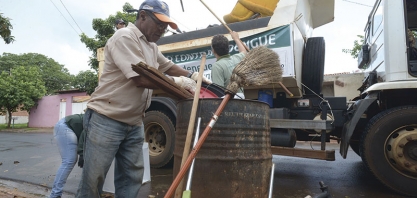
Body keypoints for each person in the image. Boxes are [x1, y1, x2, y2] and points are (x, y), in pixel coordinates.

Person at [76, 0, 210, 197]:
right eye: (160, 24)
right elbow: (141, 78)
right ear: (143, 16)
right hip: (107, 118)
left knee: (131, 178)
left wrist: (192, 76)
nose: (162, 30)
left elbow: (168, 66)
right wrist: (178, 82)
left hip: (134, 121)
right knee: (93, 178)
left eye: (165, 27)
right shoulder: (124, 36)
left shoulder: (151, 47)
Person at [49, 114, 85, 198]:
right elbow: (85, 133)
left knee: (70, 161)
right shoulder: (99, 119)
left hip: (68, 126)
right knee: (69, 161)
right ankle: (55, 195)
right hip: (65, 127)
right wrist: (82, 153)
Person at [210, 31, 247, 98]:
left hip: (228, 103)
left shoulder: (217, 66)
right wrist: (236, 38)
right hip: (242, 99)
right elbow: (244, 51)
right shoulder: (237, 59)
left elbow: (218, 93)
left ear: (213, 50)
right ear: (228, 48)